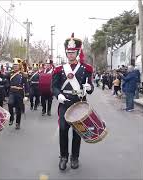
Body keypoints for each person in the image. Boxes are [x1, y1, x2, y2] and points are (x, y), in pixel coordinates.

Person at [52, 33, 94, 171]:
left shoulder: (85, 69)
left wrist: (89, 88)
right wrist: (58, 95)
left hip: (79, 102)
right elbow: (54, 86)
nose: (70, 54)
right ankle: (63, 156)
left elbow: (90, 87)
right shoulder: (59, 69)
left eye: (73, 52)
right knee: (63, 129)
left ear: (77, 52)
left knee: (77, 132)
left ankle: (75, 157)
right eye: (68, 52)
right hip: (65, 102)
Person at [7, 58, 29, 130]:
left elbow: (26, 85)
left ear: (19, 66)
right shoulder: (10, 73)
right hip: (12, 92)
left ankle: (17, 123)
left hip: (19, 92)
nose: (15, 66)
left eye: (16, 65)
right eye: (14, 65)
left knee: (18, 109)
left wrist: (26, 95)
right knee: (10, 103)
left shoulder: (23, 75)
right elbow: (3, 76)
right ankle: (11, 117)